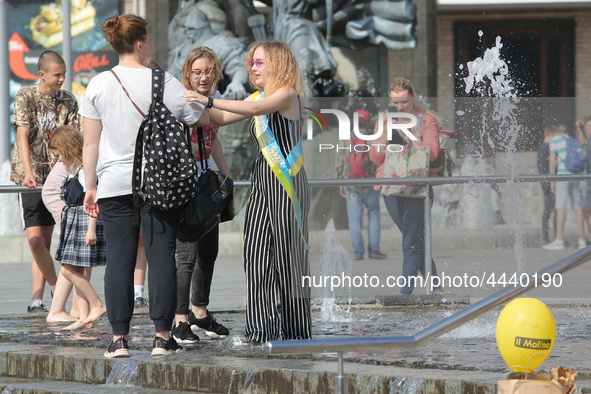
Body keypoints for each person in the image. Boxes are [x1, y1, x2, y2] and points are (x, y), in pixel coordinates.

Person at [81, 14, 209, 358]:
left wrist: (89, 186)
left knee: (119, 260)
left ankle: (119, 339)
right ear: (140, 44)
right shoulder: (163, 81)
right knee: (161, 256)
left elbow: (90, 144)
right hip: (159, 183)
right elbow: (199, 117)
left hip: (113, 184)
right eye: (148, 41)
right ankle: (162, 337)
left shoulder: (98, 84)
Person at [183, 40, 311, 344]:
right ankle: (260, 331)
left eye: (259, 63)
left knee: (287, 259)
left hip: (286, 182)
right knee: (255, 255)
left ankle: (295, 332)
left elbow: (253, 108)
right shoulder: (260, 95)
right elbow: (220, 118)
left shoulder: (286, 94)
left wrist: (210, 101)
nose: (252, 68)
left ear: (278, 64)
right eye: (251, 63)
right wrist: (186, 102)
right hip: (261, 181)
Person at [10, 50, 80, 313]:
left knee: (48, 239)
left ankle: (36, 300)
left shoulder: (68, 101)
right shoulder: (26, 95)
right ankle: (56, 286)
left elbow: (74, 138)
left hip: (57, 175)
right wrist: (28, 172)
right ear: (42, 74)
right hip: (28, 176)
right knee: (35, 240)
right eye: (57, 74)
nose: (62, 78)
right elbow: (22, 134)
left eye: (64, 73)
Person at [171, 47, 232, 344]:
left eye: (208, 71)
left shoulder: (216, 98)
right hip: (185, 183)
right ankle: (179, 319)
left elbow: (213, 138)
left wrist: (226, 172)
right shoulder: (182, 100)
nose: (203, 77)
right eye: (197, 72)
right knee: (185, 254)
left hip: (206, 182)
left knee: (209, 250)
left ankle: (200, 312)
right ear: (187, 74)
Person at [369, 78, 442, 295]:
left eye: (403, 102)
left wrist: (407, 136)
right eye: (395, 102)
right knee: (413, 240)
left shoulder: (426, 119)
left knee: (410, 242)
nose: (399, 107)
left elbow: (433, 151)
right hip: (389, 186)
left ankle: (405, 294)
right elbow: (374, 157)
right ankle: (436, 286)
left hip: (417, 185)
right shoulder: (384, 120)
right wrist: (384, 139)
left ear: (412, 97)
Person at [49, 125, 107, 330]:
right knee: (78, 269)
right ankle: (84, 319)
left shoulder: (85, 169)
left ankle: (98, 304)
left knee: (67, 269)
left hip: (84, 220)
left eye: (58, 156)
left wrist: (91, 229)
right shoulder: (77, 167)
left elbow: (93, 198)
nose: (58, 161)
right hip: (76, 220)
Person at [337, 109, 386, 261]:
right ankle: (374, 251)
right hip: (370, 180)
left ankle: (358, 252)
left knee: (354, 218)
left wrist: (340, 180)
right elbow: (378, 157)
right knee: (373, 214)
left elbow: (340, 160)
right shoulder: (373, 135)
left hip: (351, 181)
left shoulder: (346, 136)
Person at [543, 125, 586, 250]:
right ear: (567, 132)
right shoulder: (572, 140)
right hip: (575, 175)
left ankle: (559, 240)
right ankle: (582, 240)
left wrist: (552, 180)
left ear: (556, 132)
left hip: (562, 175)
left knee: (560, 207)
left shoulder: (555, 140)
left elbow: (552, 160)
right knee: (578, 207)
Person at [537, 125, 557, 245]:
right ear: (552, 134)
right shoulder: (549, 148)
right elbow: (551, 164)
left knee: (548, 210)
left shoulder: (540, 148)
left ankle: (546, 237)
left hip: (544, 183)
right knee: (553, 211)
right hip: (550, 183)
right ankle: (555, 237)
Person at [575, 116, 591, 245]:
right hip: (588, 178)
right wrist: (581, 128)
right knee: (587, 207)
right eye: (587, 126)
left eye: (589, 126)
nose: (588, 128)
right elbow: (582, 141)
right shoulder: (589, 139)